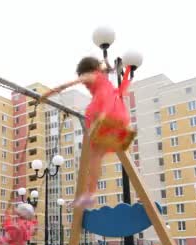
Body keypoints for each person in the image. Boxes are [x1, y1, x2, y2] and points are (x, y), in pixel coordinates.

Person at [41, 56, 136, 208]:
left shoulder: (89, 75)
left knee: (95, 157)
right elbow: (107, 68)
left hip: (102, 111)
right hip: (118, 112)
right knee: (97, 155)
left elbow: (67, 84)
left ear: (86, 70)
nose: (85, 83)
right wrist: (124, 67)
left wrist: (48, 94)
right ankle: (89, 194)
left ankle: (90, 193)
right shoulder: (102, 75)